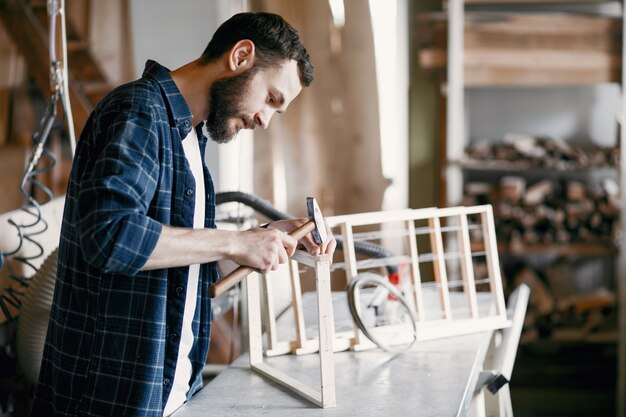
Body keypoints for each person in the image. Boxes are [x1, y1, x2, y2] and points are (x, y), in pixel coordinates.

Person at [31, 12, 336, 417]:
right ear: (241, 56)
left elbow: (178, 253)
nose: (264, 120)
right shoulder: (138, 112)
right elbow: (111, 236)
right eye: (271, 99)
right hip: (107, 401)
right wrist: (238, 242)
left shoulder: (189, 138)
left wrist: (267, 234)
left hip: (167, 399)